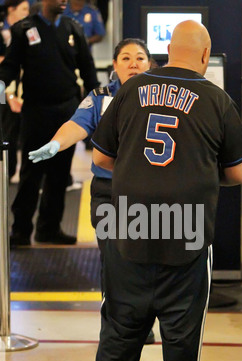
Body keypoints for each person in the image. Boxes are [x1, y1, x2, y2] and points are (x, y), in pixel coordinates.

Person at [71, 20, 242, 361]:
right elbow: (239, 173)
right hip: (186, 235)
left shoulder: (131, 90)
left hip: (128, 228)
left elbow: (101, 157)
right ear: (206, 57)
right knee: (182, 336)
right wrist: (200, 175)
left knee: (119, 327)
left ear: (165, 52)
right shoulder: (216, 99)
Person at [28, 37, 156, 344]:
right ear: (114, 66)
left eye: (140, 58)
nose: (133, 63)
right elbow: (78, 124)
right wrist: (56, 144)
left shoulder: (161, 98)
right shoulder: (100, 97)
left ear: (150, 64)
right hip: (108, 192)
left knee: (145, 259)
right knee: (114, 257)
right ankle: (115, 325)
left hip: (149, 194)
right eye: (125, 58)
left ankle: (142, 322)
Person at [0, 0, 99, 247]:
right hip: (35, 111)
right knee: (31, 174)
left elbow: (88, 70)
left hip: (66, 110)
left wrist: (99, 103)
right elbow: (10, 67)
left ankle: (49, 228)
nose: (64, 1)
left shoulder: (73, 28)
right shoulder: (24, 30)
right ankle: (20, 230)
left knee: (59, 174)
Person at [0, 0, 30, 181]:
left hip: (21, 89)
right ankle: (7, 173)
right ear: (11, 9)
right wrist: (9, 95)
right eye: (23, 9)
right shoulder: (2, 31)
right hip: (4, 90)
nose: (27, 13)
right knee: (8, 131)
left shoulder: (25, 31)